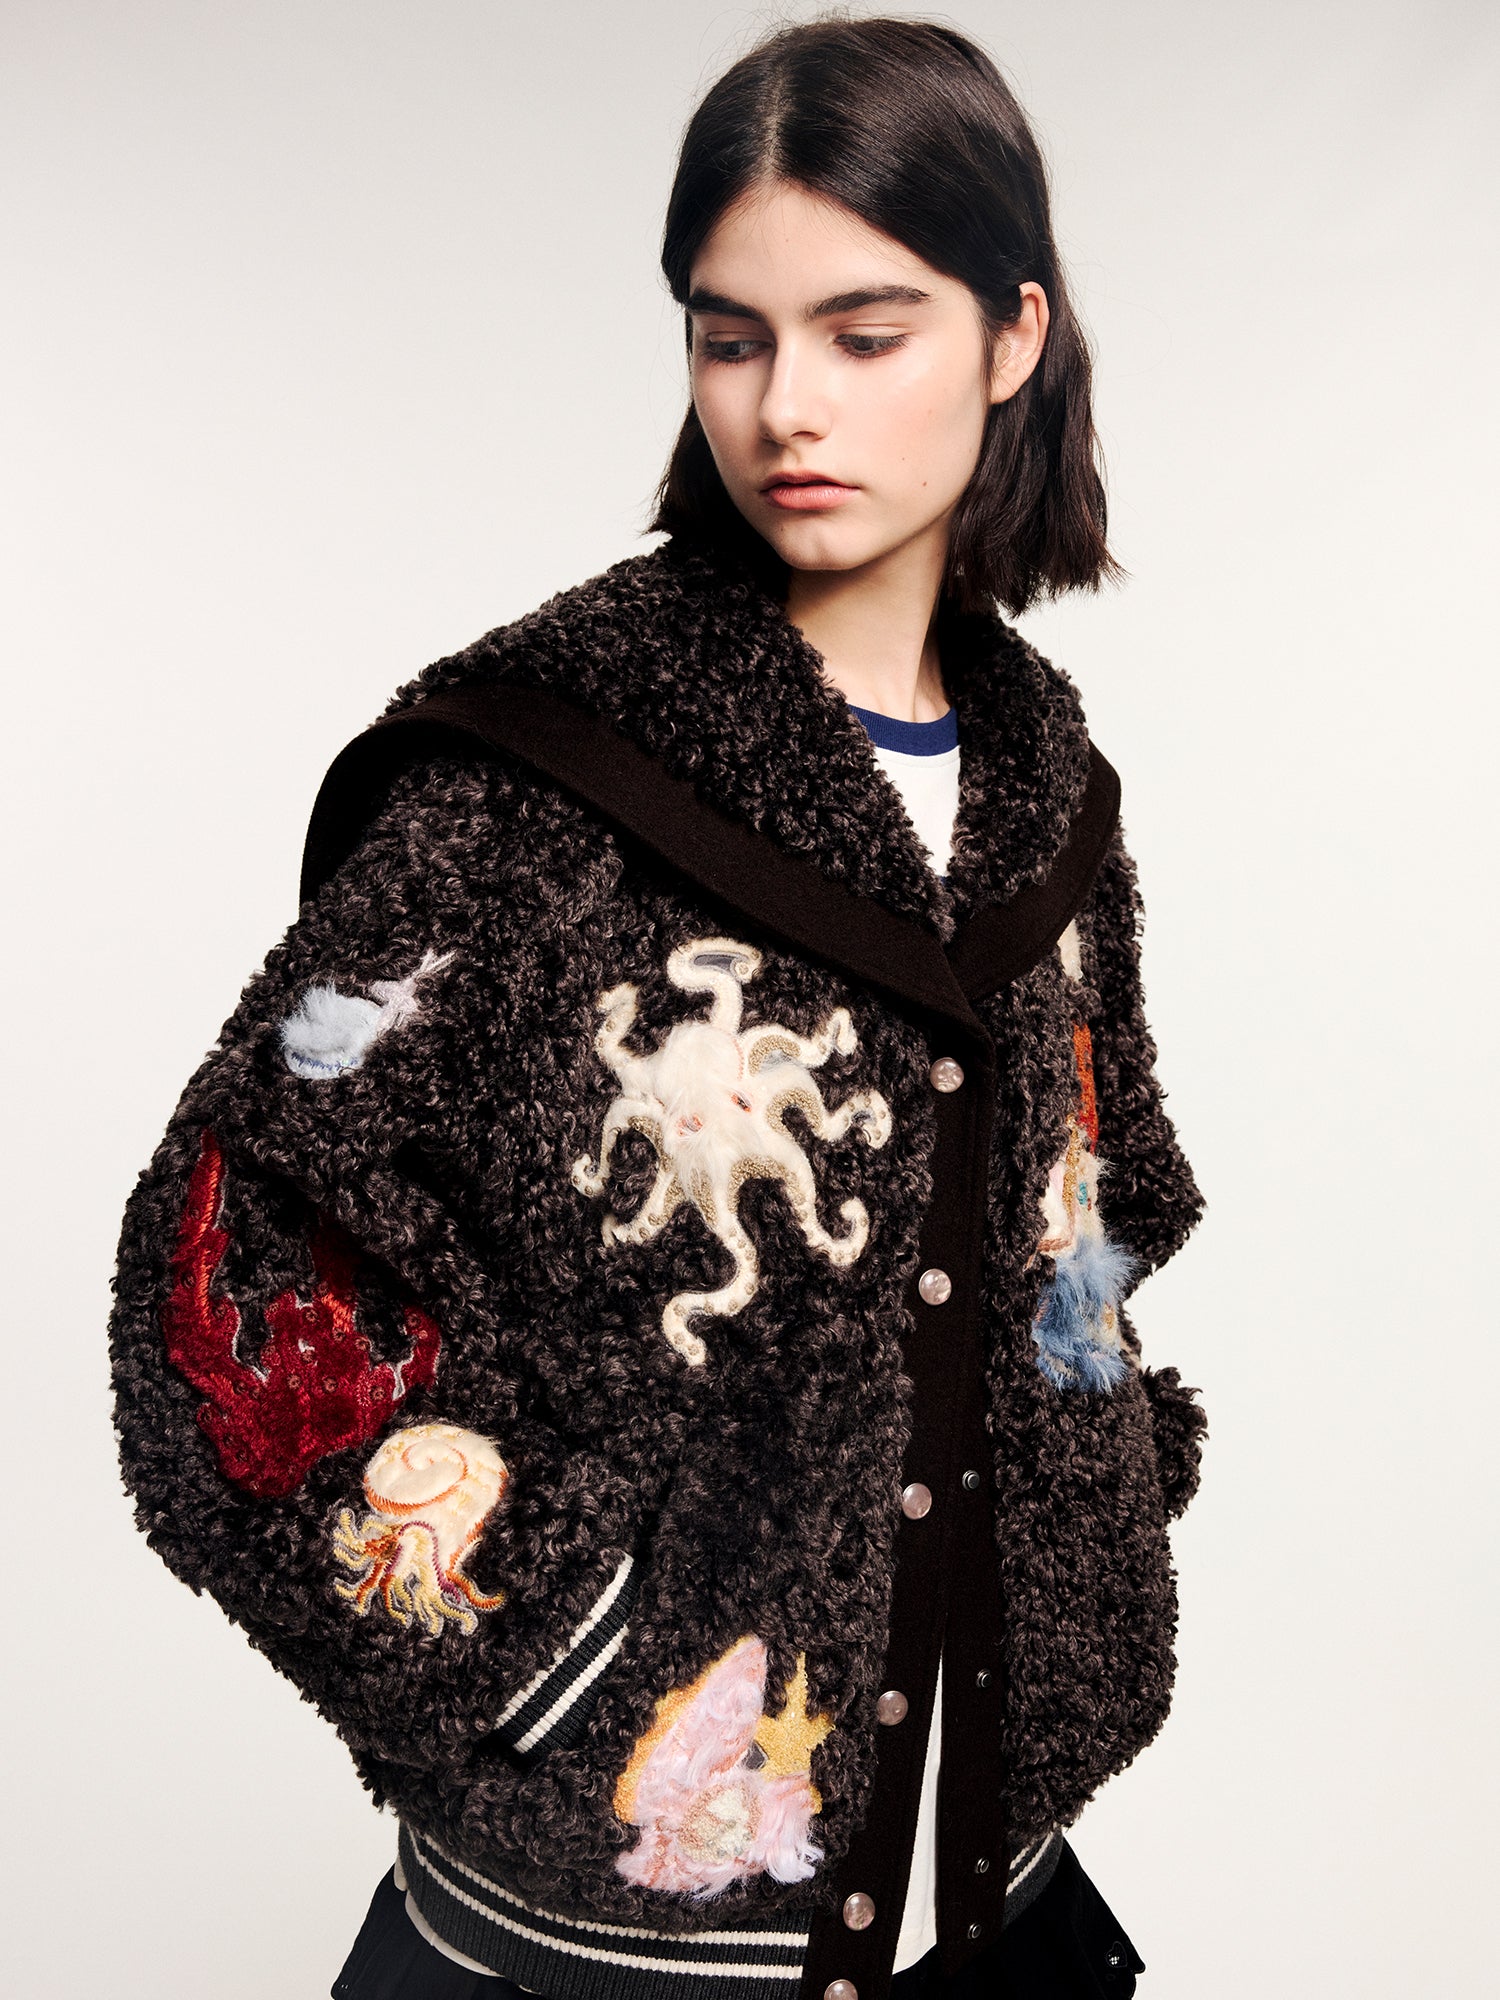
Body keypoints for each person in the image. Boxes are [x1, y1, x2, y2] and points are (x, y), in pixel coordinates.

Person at [108, 16, 1206, 2000]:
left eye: (866, 333)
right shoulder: (538, 774)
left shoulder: (1049, 784)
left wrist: (1095, 1549)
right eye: (731, 336)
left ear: (1013, 336)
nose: (789, 405)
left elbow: (1098, 1221)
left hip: (991, 1881)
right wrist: (565, 1660)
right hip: (616, 1917)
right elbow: (227, 1273)